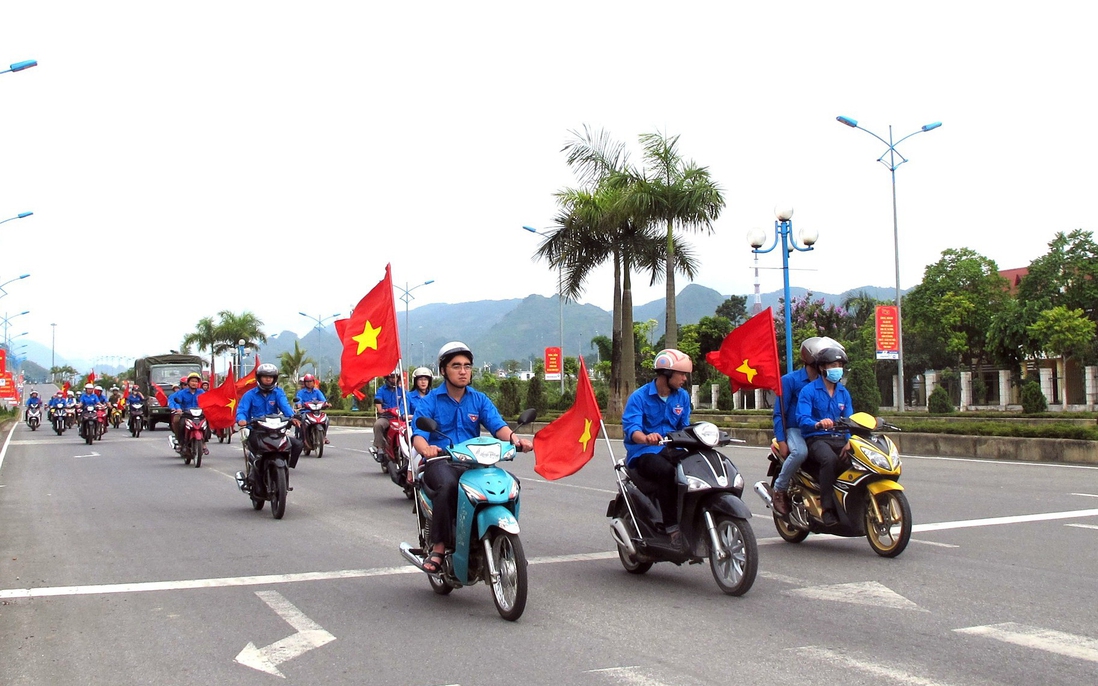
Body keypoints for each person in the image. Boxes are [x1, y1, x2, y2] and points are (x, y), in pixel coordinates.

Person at [411, 342, 532, 573]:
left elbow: (499, 427)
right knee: (448, 486)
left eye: (467, 366)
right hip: (441, 462)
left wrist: (516, 441)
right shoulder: (431, 400)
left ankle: (506, 544)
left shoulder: (479, 399)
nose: (463, 371)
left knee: (509, 484)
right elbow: (419, 435)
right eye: (456, 366)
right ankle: (438, 547)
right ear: (443, 370)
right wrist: (426, 448)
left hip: (475, 462)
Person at [621, 348, 693, 550]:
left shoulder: (682, 397)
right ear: (667, 374)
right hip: (644, 452)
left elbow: (684, 426)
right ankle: (672, 529)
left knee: (699, 465)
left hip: (672, 448)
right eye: (681, 374)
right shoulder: (640, 397)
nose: (684, 379)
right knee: (667, 473)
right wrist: (646, 437)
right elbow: (632, 428)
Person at [770, 336, 845, 516]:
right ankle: (779, 490)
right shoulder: (790, 381)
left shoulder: (830, 383)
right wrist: (781, 440)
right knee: (800, 452)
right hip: (796, 429)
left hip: (820, 432)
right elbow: (780, 413)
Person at [795, 346, 854, 527]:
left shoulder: (843, 392)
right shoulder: (809, 391)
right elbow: (801, 418)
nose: (837, 368)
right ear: (822, 368)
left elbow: (850, 420)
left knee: (857, 459)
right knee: (829, 460)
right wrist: (818, 423)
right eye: (833, 364)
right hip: (816, 438)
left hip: (838, 438)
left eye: (839, 364)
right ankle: (827, 509)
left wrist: (851, 441)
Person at [235, 363, 302, 485]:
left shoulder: (278, 393)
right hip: (257, 430)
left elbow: (285, 406)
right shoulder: (249, 394)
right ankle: (252, 476)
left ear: (274, 378)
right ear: (259, 378)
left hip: (275, 430)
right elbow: (242, 410)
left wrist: (292, 417)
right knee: (257, 451)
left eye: (270, 377)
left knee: (296, 444)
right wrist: (241, 419)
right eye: (265, 376)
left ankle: (285, 467)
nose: (268, 379)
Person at [168, 372, 206, 452]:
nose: (194, 383)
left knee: (207, 422)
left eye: (196, 381)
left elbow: (206, 401)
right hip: (186, 414)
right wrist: (178, 409)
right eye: (192, 381)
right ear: (188, 382)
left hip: (199, 414)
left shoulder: (201, 392)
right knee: (178, 421)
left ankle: (204, 442)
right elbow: (177, 402)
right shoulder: (182, 393)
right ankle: (181, 442)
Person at [372, 370, 406, 458]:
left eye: (395, 377)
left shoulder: (402, 391)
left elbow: (407, 401)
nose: (393, 379)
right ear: (387, 378)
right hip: (387, 417)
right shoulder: (382, 390)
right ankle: (380, 447)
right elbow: (378, 400)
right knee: (378, 425)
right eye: (391, 377)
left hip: (399, 418)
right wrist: (380, 409)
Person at [293, 373, 330, 444]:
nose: (309, 383)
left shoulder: (317, 391)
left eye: (310, 381)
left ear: (313, 382)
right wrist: (299, 404)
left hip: (316, 412)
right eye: (307, 382)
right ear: (305, 383)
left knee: (326, 419)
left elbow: (323, 400)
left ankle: (324, 436)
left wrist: (326, 404)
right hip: (305, 412)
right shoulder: (301, 392)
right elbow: (299, 400)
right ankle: (304, 438)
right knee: (303, 419)